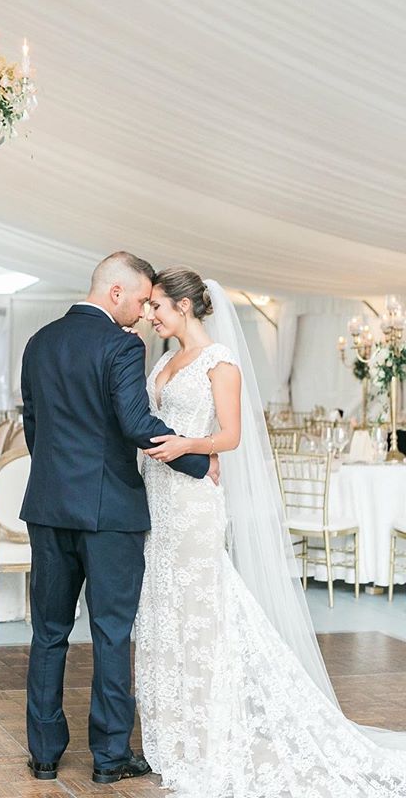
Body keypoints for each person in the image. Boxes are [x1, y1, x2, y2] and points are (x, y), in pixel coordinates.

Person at [135, 266, 406, 797]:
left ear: (184, 306)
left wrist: (189, 447)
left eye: (159, 306)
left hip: (192, 503)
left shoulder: (221, 362)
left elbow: (230, 435)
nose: (153, 314)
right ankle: (174, 734)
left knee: (202, 612)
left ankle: (210, 733)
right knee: (165, 608)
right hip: (158, 500)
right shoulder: (166, 358)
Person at [19, 251, 218, 784]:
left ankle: (43, 754)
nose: (142, 313)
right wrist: (200, 461)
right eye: (138, 300)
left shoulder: (39, 342)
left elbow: (32, 425)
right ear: (114, 293)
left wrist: (59, 478)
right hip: (109, 514)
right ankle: (109, 758)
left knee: (48, 633)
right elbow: (135, 422)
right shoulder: (121, 345)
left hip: (48, 507)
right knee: (110, 634)